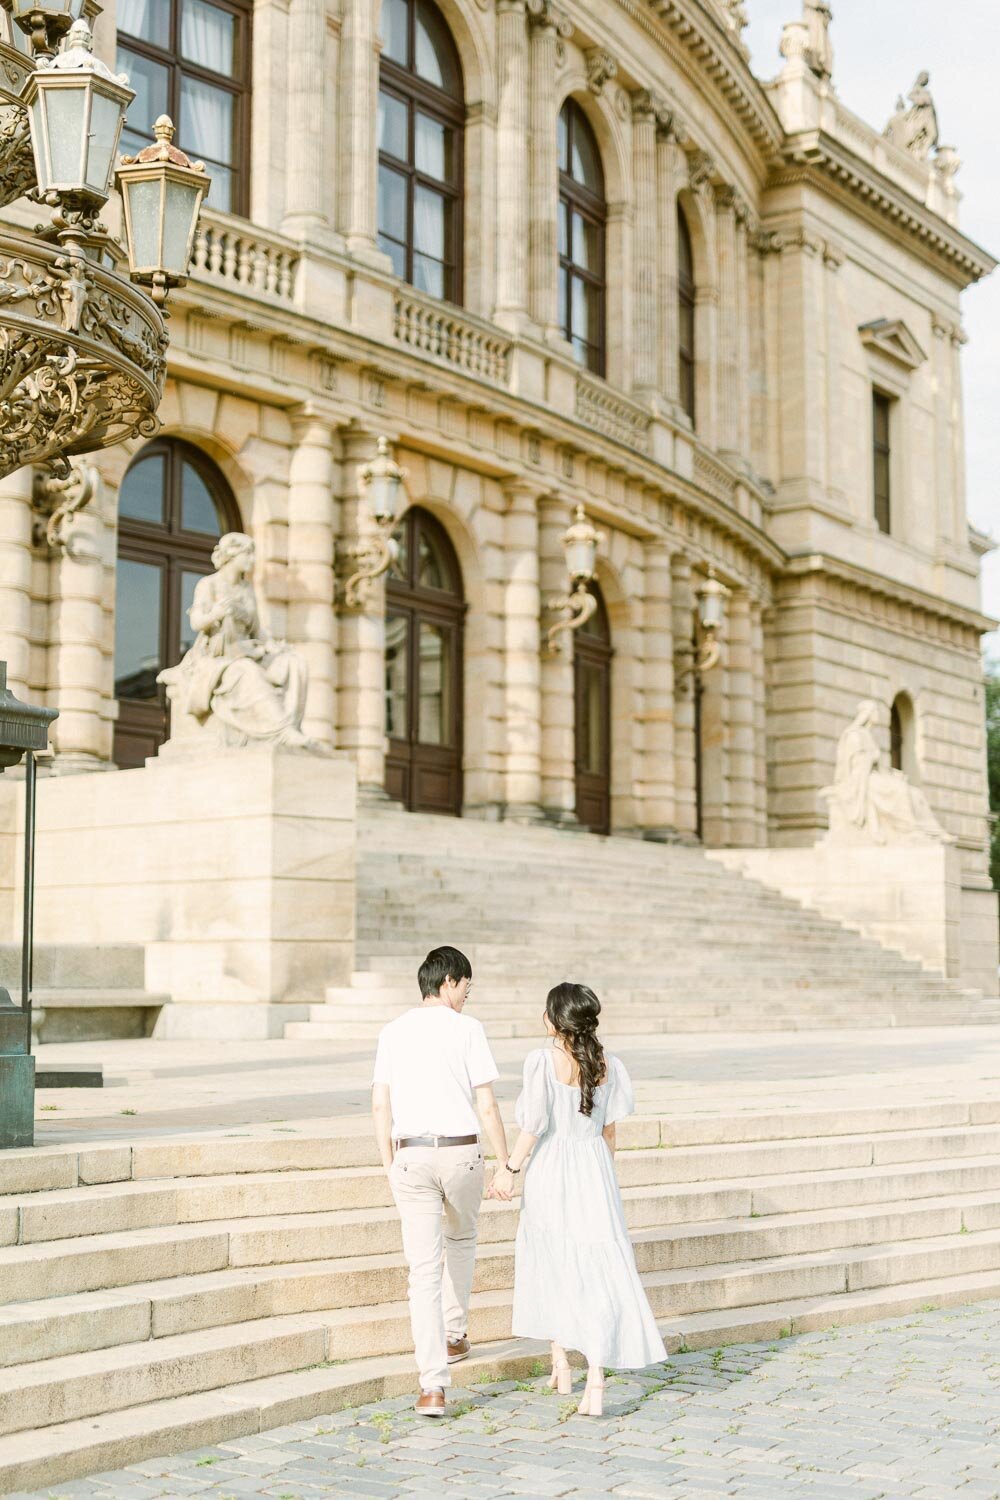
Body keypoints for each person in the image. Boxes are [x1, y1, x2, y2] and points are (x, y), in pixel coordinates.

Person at [489, 981, 666, 1417]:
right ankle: (592, 1376)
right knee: (595, 1269)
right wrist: (602, 1178)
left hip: (552, 1169)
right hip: (594, 1170)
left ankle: (561, 1360)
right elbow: (609, 1132)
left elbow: (533, 1127)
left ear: (555, 1020)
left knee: (553, 1261)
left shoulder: (543, 1062)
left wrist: (509, 1169)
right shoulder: (609, 1064)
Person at [371, 945, 510, 1417]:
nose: (467, 997)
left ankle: (432, 1386)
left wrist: (388, 1163)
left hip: (409, 1154)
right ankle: (454, 1334)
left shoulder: (392, 1031)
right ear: (449, 981)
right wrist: (506, 1161)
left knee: (422, 1272)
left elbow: (379, 1105)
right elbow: (486, 1104)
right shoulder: (468, 1030)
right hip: (460, 1151)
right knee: (463, 1237)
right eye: (466, 987)